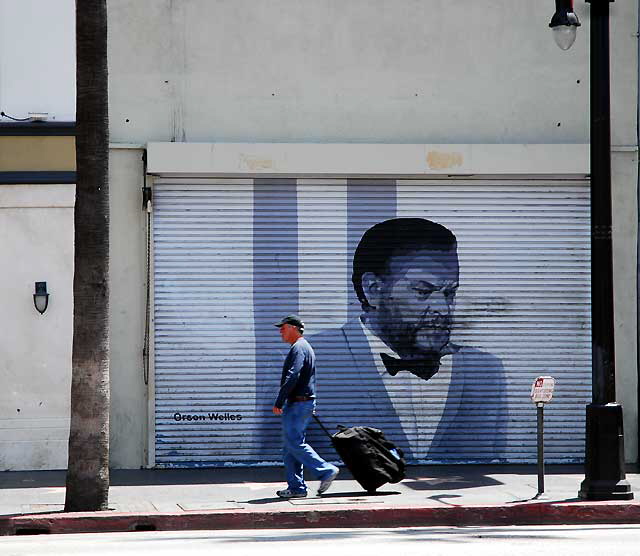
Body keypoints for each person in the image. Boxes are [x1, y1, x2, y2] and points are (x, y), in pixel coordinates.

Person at [310, 218, 507, 462]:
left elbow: (496, 461)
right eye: (423, 292)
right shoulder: (309, 360)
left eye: (449, 293)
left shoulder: (486, 372)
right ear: (373, 290)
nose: (443, 309)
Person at [272, 314, 339, 498]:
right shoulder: (302, 347)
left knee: (294, 443)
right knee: (289, 447)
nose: (280, 331)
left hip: (298, 404)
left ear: (294, 328)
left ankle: (325, 470)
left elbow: (293, 376)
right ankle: (296, 488)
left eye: (283, 327)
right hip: (302, 402)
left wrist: (279, 401)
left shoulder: (299, 348)